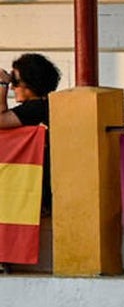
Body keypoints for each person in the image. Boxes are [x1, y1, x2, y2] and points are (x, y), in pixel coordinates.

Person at [0, 53, 61, 212]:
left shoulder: (35, 108)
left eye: (15, 82)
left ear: (32, 83)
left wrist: (2, 85)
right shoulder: (47, 105)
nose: (13, 87)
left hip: (40, 194)